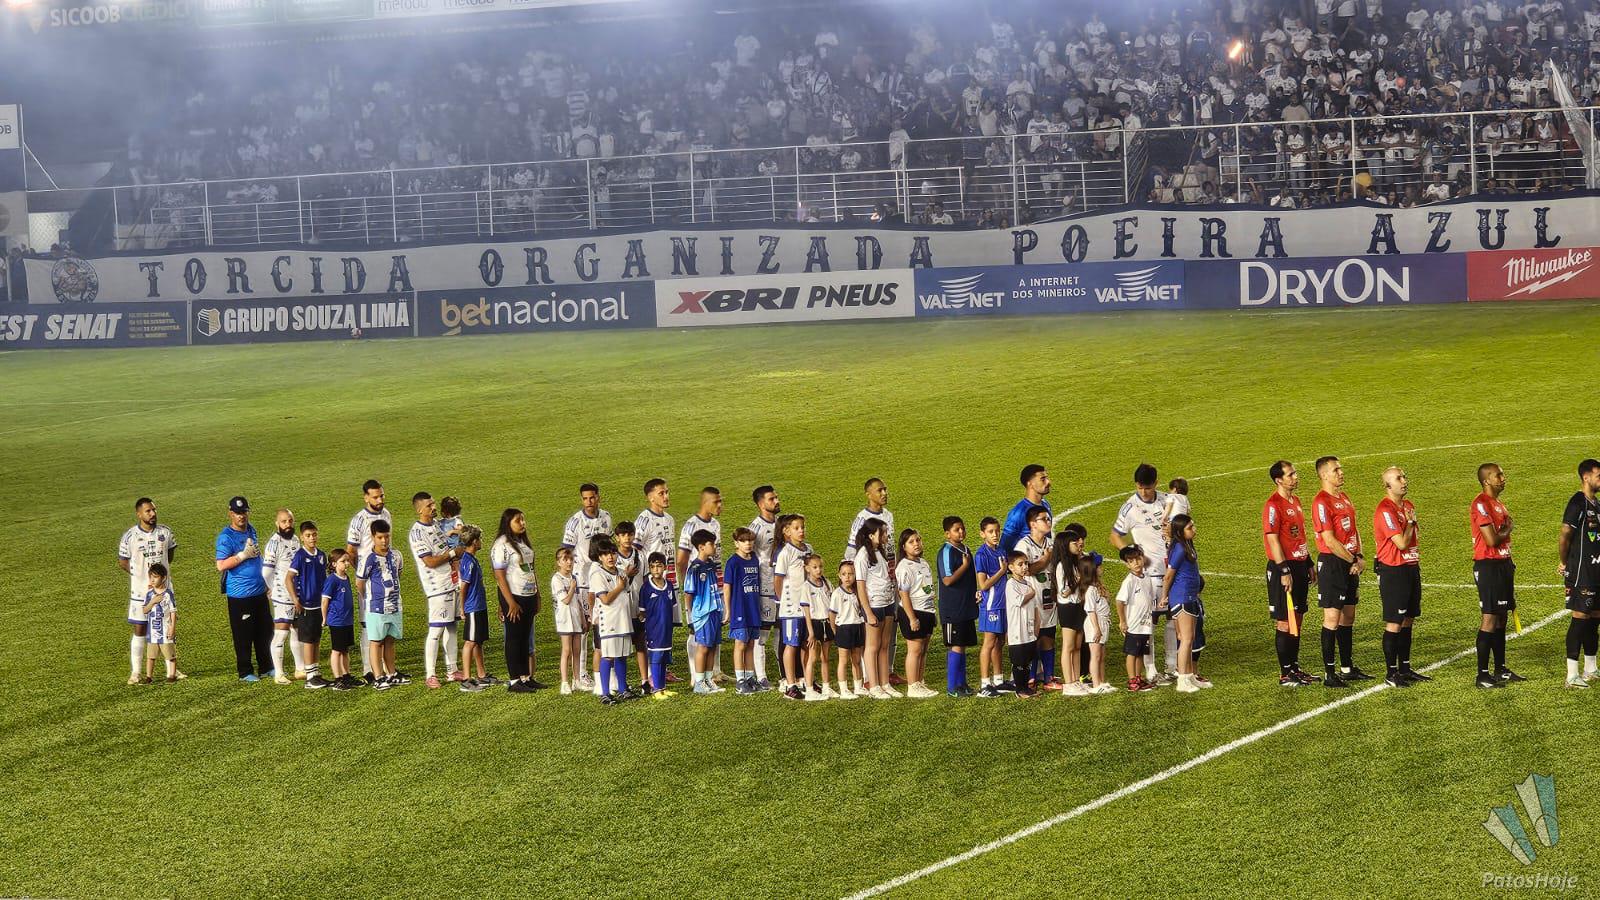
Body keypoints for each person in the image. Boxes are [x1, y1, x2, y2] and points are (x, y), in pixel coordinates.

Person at [1111, 463, 1176, 683]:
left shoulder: (1168, 501)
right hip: (1150, 575)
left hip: (1172, 570)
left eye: (1147, 488)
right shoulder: (1130, 507)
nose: (1144, 492)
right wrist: (1130, 554)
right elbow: (1115, 536)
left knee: (1173, 618)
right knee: (1150, 622)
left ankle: (1172, 666)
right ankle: (1150, 670)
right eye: (1140, 487)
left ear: (1156, 483)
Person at [1313, 456, 1372, 687]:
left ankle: (1347, 668)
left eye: (1340, 469)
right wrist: (1352, 559)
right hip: (1333, 564)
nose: (1341, 472)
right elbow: (1329, 540)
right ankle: (1329, 674)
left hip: (1350, 562)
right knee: (1332, 618)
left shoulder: (1344, 497)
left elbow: (1354, 531)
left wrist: (1360, 556)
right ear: (1324, 475)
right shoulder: (1321, 502)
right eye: (1336, 470)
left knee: (1348, 616)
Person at [1263, 460, 1318, 687]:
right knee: (1285, 622)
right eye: (1291, 475)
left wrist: (1308, 562)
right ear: (1279, 480)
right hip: (1283, 568)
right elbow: (1272, 538)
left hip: (1299, 565)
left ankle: (1295, 668)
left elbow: (1298, 536)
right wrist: (1283, 570)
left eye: (1295, 473)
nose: (1296, 477)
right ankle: (1285, 673)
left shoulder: (1295, 501)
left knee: (1297, 619)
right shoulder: (1273, 505)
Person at [1373, 466, 1429, 688]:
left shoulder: (1408, 506)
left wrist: (1411, 524)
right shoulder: (1385, 510)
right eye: (1398, 478)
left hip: (1411, 567)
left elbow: (1414, 538)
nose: (1404, 481)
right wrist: (1411, 523)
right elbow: (1402, 543)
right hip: (1394, 570)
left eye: (1404, 476)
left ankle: (1405, 669)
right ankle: (1391, 673)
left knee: (1408, 619)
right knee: (1394, 622)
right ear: (1388, 485)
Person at [1471, 463, 1521, 687]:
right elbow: (1491, 540)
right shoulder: (1481, 503)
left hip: (1503, 564)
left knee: (1501, 617)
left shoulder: (1498, 504)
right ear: (1486, 481)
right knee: (1490, 618)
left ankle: (1500, 669)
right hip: (1488, 566)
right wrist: (1507, 529)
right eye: (1498, 475)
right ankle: (1482, 675)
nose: (1503, 478)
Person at [119, 497, 177, 685]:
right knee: (140, 629)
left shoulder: (166, 532)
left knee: (167, 628)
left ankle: (172, 670)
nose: (153, 514)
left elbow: (169, 556)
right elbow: (123, 562)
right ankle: (136, 672)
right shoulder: (130, 536)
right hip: (140, 594)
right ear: (139, 514)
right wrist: (140, 577)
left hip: (163, 592)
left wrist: (159, 579)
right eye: (148, 511)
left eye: (154, 510)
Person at [410, 492, 464, 689]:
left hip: (451, 582)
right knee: (436, 630)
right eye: (429, 505)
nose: (434, 507)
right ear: (419, 509)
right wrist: (453, 553)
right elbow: (430, 561)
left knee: (452, 626)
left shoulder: (437, 525)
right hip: (437, 587)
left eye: (433, 504)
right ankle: (430, 674)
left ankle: (452, 670)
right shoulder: (417, 532)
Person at [215, 496, 271, 682]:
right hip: (240, 595)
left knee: (264, 631)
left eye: (244, 512)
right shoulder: (226, 537)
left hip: (259, 590)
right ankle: (245, 671)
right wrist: (242, 555)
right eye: (238, 513)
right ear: (231, 514)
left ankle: (266, 667)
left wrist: (267, 583)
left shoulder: (251, 530)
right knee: (243, 635)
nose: (242, 516)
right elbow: (221, 565)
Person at [563, 483, 613, 691]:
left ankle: (601, 669)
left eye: (592, 497)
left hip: (602, 579)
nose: (589, 502)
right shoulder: (575, 522)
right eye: (585, 498)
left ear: (598, 497)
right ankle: (582, 673)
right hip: (583, 582)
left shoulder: (606, 517)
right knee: (584, 627)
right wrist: (569, 578)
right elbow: (566, 551)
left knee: (601, 623)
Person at [345, 479, 392, 682]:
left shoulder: (386, 514)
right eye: (375, 497)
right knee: (368, 623)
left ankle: (386, 668)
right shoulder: (359, 520)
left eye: (381, 495)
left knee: (386, 620)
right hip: (369, 581)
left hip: (387, 579)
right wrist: (362, 575)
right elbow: (350, 552)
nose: (380, 500)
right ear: (366, 498)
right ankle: (369, 670)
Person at [677, 487, 725, 685]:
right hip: (698, 588)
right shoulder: (691, 525)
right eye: (717, 502)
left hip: (714, 583)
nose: (720, 505)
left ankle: (715, 672)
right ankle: (694, 675)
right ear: (706, 503)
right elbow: (681, 560)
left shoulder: (715, 524)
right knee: (695, 629)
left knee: (715, 627)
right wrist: (688, 585)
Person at [1559, 459, 1600, 688]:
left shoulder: (1596, 504)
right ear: (1586, 477)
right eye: (1599, 476)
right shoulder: (1577, 502)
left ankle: (1591, 668)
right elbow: (1565, 535)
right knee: (1580, 619)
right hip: (1582, 572)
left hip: (1596, 572)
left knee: (1595, 619)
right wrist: (1565, 562)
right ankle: (1572, 675)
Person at [491, 509, 542, 692]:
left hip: (528, 595)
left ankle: (525, 677)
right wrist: (510, 602)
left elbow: (531, 569)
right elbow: (499, 575)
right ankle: (514, 681)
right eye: (518, 520)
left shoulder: (522, 542)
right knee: (514, 638)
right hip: (514, 596)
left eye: (523, 519)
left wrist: (537, 594)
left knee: (524, 637)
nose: (522, 523)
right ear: (508, 523)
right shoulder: (501, 545)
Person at [1160, 514, 1210, 693]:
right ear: (1180, 532)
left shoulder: (1186, 544)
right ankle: (1182, 680)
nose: (1194, 529)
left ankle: (1189, 676)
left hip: (1188, 596)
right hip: (1182, 597)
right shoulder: (1180, 548)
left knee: (1188, 639)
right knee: (1187, 640)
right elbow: (1169, 575)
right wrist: (1164, 596)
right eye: (1190, 527)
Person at [634, 478, 678, 682]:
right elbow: (635, 550)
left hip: (668, 581)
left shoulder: (669, 519)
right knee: (652, 628)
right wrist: (645, 579)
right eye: (662, 493)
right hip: (652, 583)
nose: (666, 496)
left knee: (666, 626)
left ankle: (662, 670)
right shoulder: (644, 519)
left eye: (667, 492)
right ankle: (652, 674)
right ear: (650, 497)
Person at [853, 518, 900, 699]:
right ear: (872, 535)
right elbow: (860, 586)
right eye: (883, 532)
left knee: (884, 645)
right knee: (872, 647)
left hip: (887, 602)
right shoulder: (862, 555)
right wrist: (868, 612)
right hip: (874, 605)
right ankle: (873, 685)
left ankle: (885, 683)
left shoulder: (879, 552)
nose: (887, 535)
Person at [357, 519, 406, 690]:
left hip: (395, 605)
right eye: (380, 537)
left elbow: (398, 574)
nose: (384, 541)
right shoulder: (368, 558)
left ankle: (391, 673)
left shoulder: (396, 555)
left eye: (386, 536)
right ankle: (378, 677)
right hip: (376, 607)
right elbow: (359, 583)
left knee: (390, 640)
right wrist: (369, 598)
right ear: (373, 537)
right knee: (376, 641)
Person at [1014, 506, 1059, 690]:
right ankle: (1031, 678)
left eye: (1048, 519)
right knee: (1033, 638)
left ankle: (1049, 678)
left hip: (1050, 598)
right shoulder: (1023, 545)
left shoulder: (1052, 543)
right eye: (1044, 519)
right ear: (1032, 524)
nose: (1048, 522)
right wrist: (1046, 558)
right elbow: (1027, 570)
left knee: (1048, 637)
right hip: (1032, 599)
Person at [935, 516, 977, 697]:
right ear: (947, 534)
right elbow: (947, 580)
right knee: (956, 646)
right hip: (952, 609)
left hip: (965, 607)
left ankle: (962, 684)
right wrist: (964, 566)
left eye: (962, 528)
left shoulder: (966, 549)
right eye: (956, 530)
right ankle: (952, 687)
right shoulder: (946, 551)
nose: (961, 532)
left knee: (962, 645)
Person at [285, 521, 330, 689]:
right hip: (306, 605)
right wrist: (295, 600)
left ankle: (315, 673)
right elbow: (288, 578)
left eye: (314, 535)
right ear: (302, 537)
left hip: (319, 604)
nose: (312, 538)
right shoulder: (300, 556)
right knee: (309, 641)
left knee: (316, 639)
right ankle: (309, 677)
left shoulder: (321, 555)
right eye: (308, 535)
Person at [894, 530, 937, 698]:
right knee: (915, 649)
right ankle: (912, 686)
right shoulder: (904, 567)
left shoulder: (923, 563)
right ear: (904, 547)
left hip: (927, 610)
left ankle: (919, 682)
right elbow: (903, 594)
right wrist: (912, 618)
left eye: (918, 540)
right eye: (911, 542)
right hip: (913, 611)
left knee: (923, 649)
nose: (916, 544)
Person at [588, 537, 631, 705]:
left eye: (612, 553)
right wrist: (619, 587)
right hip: (609, 622)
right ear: (600, 557)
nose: (610, 557)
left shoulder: (621, 572)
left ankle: (622, 689)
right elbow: (605, 599)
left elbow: (626, 594)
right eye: (606, 554)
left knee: (622, 655)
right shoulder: (597, 574)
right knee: (608, 656)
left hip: (623, 619)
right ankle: (605, 692)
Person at [262, 508, 303, 684]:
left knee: (296, 629)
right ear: (277, 523)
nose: (288, 524)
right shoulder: (274, 543)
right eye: (284, 521)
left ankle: (300, 668)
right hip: (282, 595)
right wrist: (273, 589)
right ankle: (278, 674)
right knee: (281, 632)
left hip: (296, 594)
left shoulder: (295, 539)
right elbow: (266, 572)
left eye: (290, 521)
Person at [774, 514, 812, 699]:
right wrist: (783, 600)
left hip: (807, 606)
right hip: (791, 608)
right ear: (787, 531)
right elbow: (778, 579)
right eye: (796, 528)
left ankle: (805, 679)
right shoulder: (785, 552)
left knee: (806, 643)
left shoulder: (808, 549)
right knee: (791, 644)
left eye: (802, 527)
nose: (801, 531)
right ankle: (790, 684)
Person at [748, 485, 782, 690]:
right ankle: (761, 676)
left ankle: (784, 673)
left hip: (782, 587)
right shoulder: (755, 528)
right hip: (764, 588)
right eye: (772, 499)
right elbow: (748, 558)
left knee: (781, 630)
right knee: (763, 633)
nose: (776, 501)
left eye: (776, 497)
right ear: (761, 504)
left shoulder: (782, 524)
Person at [723, 527, 763, 695]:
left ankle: (750, 677)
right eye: (743, 541)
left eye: (750, 540)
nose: (748, 544)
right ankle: (740, 680)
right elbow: (727, 587)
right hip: (739, 608)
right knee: (740, 644)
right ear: (736, 543)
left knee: (751, 643)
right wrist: (728, 610)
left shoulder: (754, 559)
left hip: (753, 608)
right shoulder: (733, 562)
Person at [684, 529, 724, 695]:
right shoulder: (694, 568)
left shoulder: (710, 564)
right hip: (703, 614)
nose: (714, 547)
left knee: (712, 646)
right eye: (711, 544)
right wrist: (691, 614)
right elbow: (688, 594)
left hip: (715, 611)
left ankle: (708, 679)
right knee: (703, 648)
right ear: (701, 547)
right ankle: (699, 682)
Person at [1115, 545, 1159, 692]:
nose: (1136, 563)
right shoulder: (1129, 581)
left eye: (1138, 559)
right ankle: (1132, 680)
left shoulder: (1146, 577)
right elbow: (1119, 601)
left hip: (1145, 624)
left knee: (1140, 652)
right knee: (1132, 653)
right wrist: (1122, 621)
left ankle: (1139, 678)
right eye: (1131, 561)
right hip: (1133, 625)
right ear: (1127, 564)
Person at [974, 517, 1008, 696]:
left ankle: (999, 680)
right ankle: (985, 684)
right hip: (990, 605)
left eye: (997, 531)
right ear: (982, 534)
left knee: (1000, 641)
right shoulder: (982, 555)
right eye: (990, 532)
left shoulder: (1001, 551)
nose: (995, 535)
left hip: (1003, 603)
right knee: (989, 642)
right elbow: (983, 585)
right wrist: (1001, 571)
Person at [613, 522, 647, 693]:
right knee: (622, 647)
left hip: (637, 607)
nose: (627, 538)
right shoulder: (613, 558)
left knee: (641, 643)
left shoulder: (641, 556)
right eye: (623, 535)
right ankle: (621, 683)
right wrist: (626, 574)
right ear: (617, 538)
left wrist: (645, 606)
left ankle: (645, 680)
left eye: (630, 534)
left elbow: (646, 581)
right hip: (621, 609)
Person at [1075, 555, 1115, 693]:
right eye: (1098, 566)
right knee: (1096, 655)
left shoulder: (1097, 587)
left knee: (1102, 655)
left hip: (1102, 622)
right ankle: (1096, 684)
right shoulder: (1090, 590)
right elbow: (1090, 610)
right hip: (1094, 624)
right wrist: (1096, 628)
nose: (1101, 568)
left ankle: (1102, 682)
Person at [457, 526, 490, 693]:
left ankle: (481, 675)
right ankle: (466, 679)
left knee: (478, 640)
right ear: (474, 541)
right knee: (470, 642)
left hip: (479, 605)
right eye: (480, 539)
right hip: (473, 607)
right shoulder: (468, 562)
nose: (481, 542)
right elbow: (463, 587)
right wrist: (462, 609)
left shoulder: (471, 559)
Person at [1004, 551, 1040, 699]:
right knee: (1019, 661)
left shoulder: (1028, 584)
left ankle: (1026, 687)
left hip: (1029, 629)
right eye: (1020, 564)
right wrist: (1031, 594)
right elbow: (1020, 601)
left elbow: (1035, 608)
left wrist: (1037, 626)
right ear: (1011, 567)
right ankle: (1020, 690)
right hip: (1017, 630)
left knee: (1027, 661)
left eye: (1026, 563)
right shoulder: (1011, 584)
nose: (1025, 567)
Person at [641, 553, 677, 699]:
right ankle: (656, 690)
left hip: (666, 629)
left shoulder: (669, 586)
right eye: (653, 567)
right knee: (656, 658)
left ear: (665, 567)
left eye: (659, 566)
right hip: (654, 630)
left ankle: (663, 687)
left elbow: (672, 605)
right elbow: (642, 611)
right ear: (649, 568)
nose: (656, 569)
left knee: (663, 658)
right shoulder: (646, 588)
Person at [803, 553, 837, 700]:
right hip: (814, 623)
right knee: (813, 658)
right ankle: (809, 689)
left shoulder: (827, 583)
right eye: (815, 567)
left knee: (825, 657)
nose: (818, 570)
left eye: (820, 566)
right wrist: (811, 632)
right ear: (807, 569)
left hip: (827, 622)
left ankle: (826, 687)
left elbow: (833, 603)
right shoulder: (806, 587)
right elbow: (806, 612)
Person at [321, 550, 357, 690]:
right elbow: (325, 600)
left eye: (347, 560)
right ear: (334, 564)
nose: (346, 563)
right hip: (337, 621)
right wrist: (325, 618)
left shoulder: (346, 577)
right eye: (343, 561)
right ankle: (337, 679)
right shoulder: (332, 580)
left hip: (347, 620)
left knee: (345, 650)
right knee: (337, 650)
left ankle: (346, 675)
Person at [551, 547, 583, 694]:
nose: (569, 562)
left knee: (577, 650)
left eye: (571, 559)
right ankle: (564, 682)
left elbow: (578, 600)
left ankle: (577, 680)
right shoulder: (557, 579)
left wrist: (583, 618)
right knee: (567, 650)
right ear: (559, 562)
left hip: (575, 617)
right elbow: (565, 599)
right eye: (565, 560)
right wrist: (571, 588)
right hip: (564, 619)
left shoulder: (573, 578)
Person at [1001, 464, 1052, 553]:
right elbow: (1004, 547)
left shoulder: (1045, 505)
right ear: (1030, 484)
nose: (1048, 482)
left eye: (1047, 478)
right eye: (1043, 479)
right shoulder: (1018, 513)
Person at [141, 564, 179, 683]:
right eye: (151, 577)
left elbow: (173, 611)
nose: (152, 580)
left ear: (163, 578)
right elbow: (145, 610)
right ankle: (149, 677)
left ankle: (172, 675)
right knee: (150, 656)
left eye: (155, 577)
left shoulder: (168, 594)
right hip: (152, 631)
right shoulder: (149, 594)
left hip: (165, 630)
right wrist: (152, 602)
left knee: (170, 654)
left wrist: (172, 628)